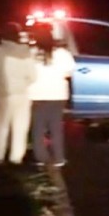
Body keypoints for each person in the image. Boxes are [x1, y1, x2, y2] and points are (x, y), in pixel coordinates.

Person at [0, 22, 37, 165]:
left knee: (0, 126)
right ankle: (16, 158)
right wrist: (23, 85)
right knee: (20, 127)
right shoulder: (26, 52)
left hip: (2, 94)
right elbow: (33, 76)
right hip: (22, 95)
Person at [29, 23, 75, 167]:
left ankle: (41, 157)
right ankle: (59, 158)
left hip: (36, 94)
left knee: (38, 128)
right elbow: (70, 72)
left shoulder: (30, 52)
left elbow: (26, 74)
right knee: (56, 127)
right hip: (57, 94)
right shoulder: (62, 53)